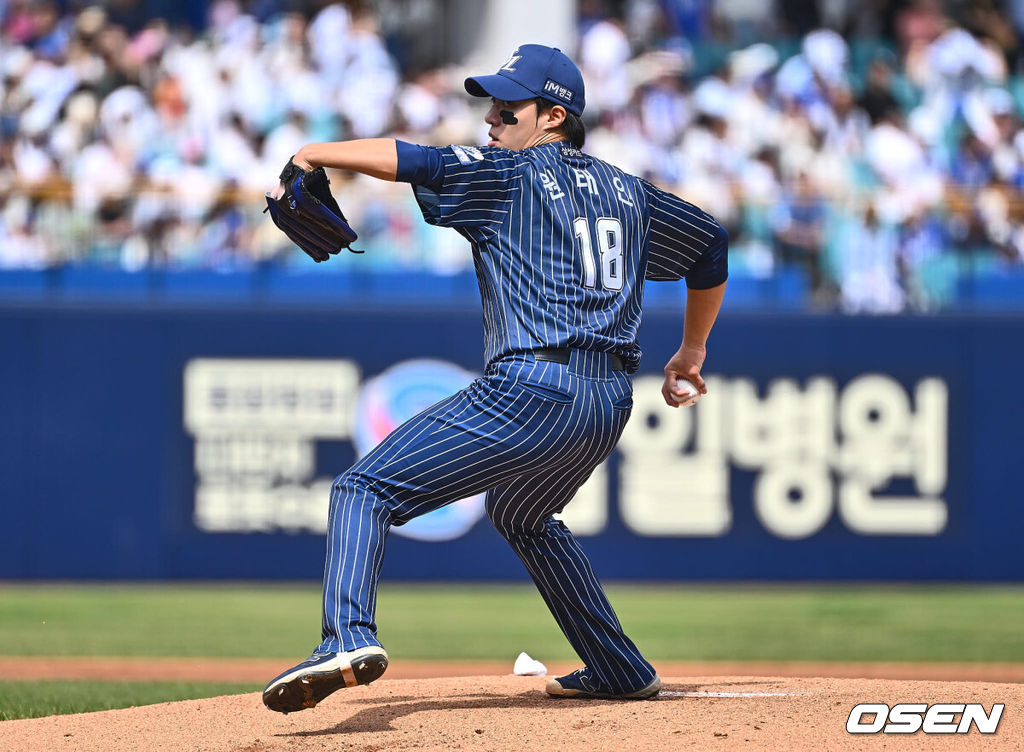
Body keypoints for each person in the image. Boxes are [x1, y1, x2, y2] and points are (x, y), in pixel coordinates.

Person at [262, 43, 728, 713]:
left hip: (533, 389)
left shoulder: (508, 175)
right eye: (491, 104)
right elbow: (710, 243)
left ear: (555, 116)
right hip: (606, 402)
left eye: (510, 106)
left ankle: (347, 636)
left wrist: (314, 152)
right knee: (523, 513)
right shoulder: (631, 192)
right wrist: (691, 352)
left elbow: (413, 159)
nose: (493, 117)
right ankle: (619, 667)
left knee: (363, 487)